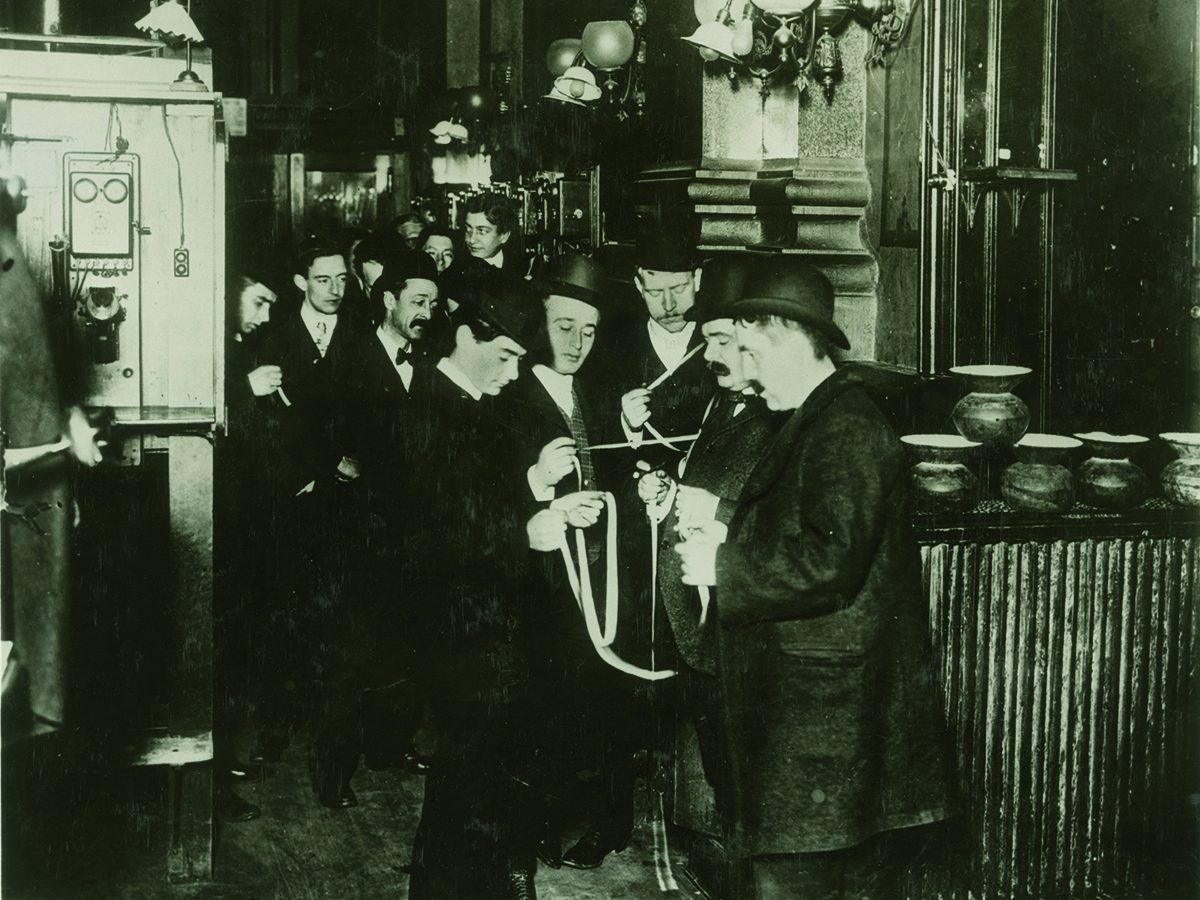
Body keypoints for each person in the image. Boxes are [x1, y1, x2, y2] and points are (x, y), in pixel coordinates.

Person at [674, 257, 960, 900]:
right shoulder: (815, 419)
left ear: (786, 337)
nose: (740, 369)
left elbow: (832, 561)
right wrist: (731, 538)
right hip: (814, 730)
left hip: (829, 734)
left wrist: (723, 567)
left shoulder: (847, 424)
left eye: (748, 350)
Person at [402, 290, 595, 900]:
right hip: (464, 627)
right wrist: (526, 532)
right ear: (465, 337)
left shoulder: (467, 401)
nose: (514, 373)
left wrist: (537, 485)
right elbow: (431, 534)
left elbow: (473, 499)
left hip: (490, 623)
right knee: (466, 778)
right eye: (507, 356)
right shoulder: (431, 407)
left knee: (483, 772)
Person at [633, 256, 783, 840]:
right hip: (702, 626)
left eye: (723, 340)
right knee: (725, 774)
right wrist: (669, 492)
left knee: (749, 781)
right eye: (709, 340)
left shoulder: (777, 417)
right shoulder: (725, 399)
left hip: (736, 625)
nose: (712, 354)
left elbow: (766, 518)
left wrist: (700, 509)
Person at [214, 268, 281, 823]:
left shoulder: (240, 345)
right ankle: (212, 782)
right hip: (217, 520)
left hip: (242, 521)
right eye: (257, 302)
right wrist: (245, 390)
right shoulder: (216, 350)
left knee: (237, 649)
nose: (263, 317)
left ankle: (224, 760)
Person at [463, 192, 527, 287]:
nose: (471, 240)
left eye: (482, 231)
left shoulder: (522, 270)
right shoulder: (456, 268)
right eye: (468, 229)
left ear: (504, 235)